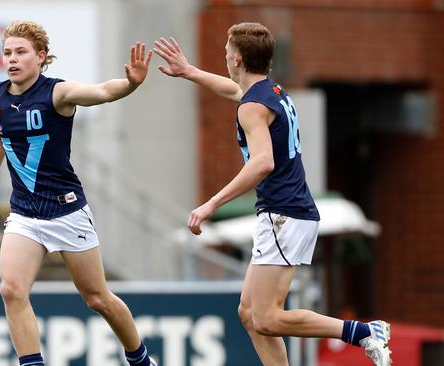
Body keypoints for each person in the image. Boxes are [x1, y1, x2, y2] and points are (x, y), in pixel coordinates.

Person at [153, 23, 391, 366]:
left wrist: (210, 204)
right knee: (250, 314)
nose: (224, 60)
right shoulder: (270, 91)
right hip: (286, 213)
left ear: (236, 58)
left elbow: (262, 162)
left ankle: (364, 333)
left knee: (267, 317)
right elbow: (233, 90)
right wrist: (190, 71)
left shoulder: (253, 106)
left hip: (284, 215)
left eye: (225, 53)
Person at [0, 20, 156, 366]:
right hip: (24, 215)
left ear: (41, 57)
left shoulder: (57, 93)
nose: (12, 59)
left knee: (97, 298)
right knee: (11, 290)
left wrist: (131, 84)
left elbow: (103, 91)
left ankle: (139, 359)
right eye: (7, 53)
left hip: (67, 212)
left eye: (21, 52)